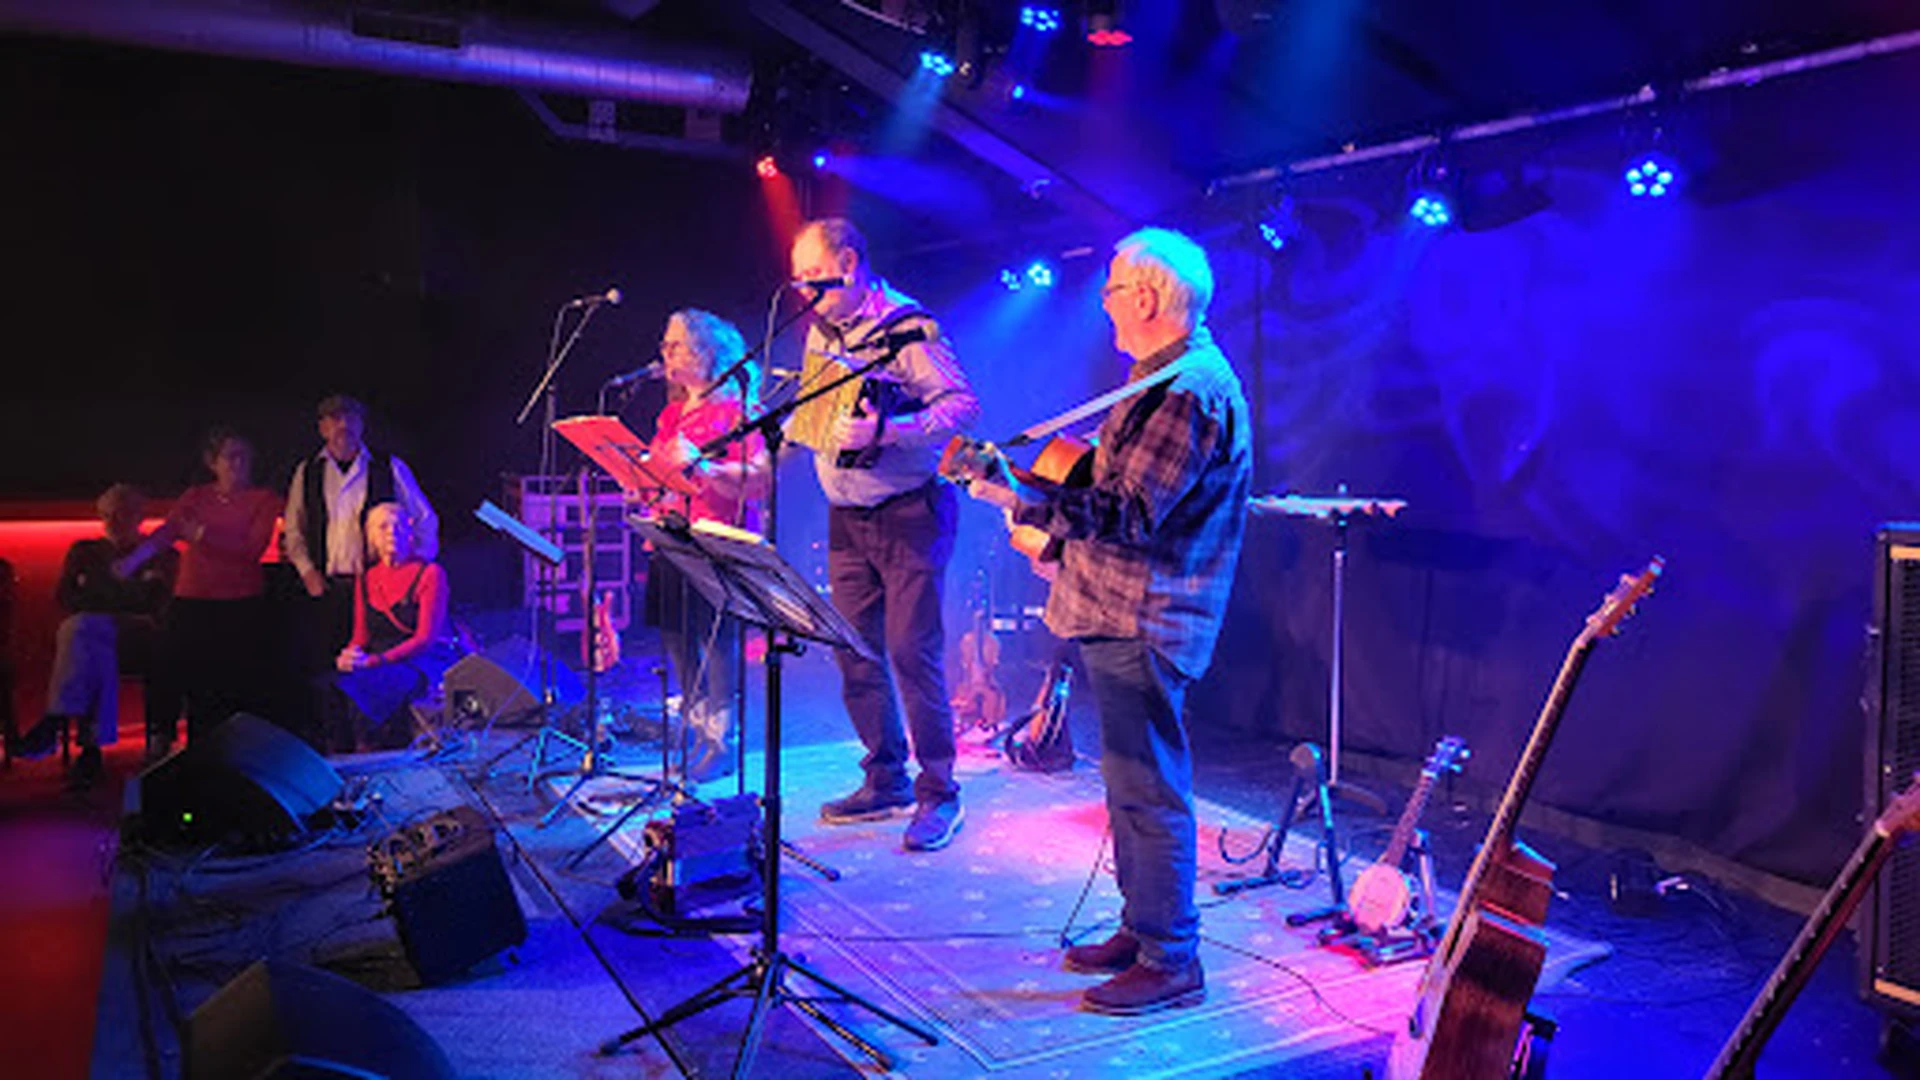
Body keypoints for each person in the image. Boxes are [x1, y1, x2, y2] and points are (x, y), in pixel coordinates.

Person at [958, 228, 1251, 1014]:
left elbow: (1128, 515)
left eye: (1114, 289)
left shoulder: (1188, 393)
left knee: (1149, 791)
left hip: (1147, 618)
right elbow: (1108, 495)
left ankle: (1172, 958)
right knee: (1127, 788)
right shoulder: (1157, 382)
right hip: (1119, 610)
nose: (1105, 303)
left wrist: (1016, 494)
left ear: (1148, 298)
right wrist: (1026, 495)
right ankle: (1144, 927)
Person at [787, 217, 981, 852]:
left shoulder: (908, 326)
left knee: (909, 651)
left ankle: (940, 792)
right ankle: (886, 776)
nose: (805, 294)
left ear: (850, 262)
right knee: (852, 648)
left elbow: (962, 406)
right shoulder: (822, 329)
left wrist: (887, 432)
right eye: (799, 282)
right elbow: (818, 407)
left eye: (815, 279)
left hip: (910, 513)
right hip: (847, 516)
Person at [633, 308, 769, 783]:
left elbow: (760, 481)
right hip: (668, 536)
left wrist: (704, 468)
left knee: (716, 642)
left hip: (714, 542)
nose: (665, 353)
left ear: (708, 352)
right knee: (676, 636)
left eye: (676, 345)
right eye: (665, 344)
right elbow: (662, 471)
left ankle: (723, 739)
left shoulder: (738, 409)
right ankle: (696, 729)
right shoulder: (671, 414)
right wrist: (642, 482)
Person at [283, 394, 438, 747]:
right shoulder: (308, 471)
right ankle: (334, 752)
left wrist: (414, 569)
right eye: (334, 418)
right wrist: (308, 572)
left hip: (376, 589)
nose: (343, 425)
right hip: (327, 588)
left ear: (362, 424)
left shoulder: (388, 465)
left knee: (374, 679)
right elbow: (294, 529)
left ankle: (379, 748)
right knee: (329, 673)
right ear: (322, 427)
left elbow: (425, 518)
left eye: (351, 417)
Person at [16, 484, 179, 785]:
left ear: (139, 516)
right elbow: (66, 597)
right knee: (90, 638)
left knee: (79, 628)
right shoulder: (84, 551)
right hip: (96, 636)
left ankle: (62, 726)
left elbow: (155, 603)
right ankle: (88, 745)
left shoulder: (161, 554)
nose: (113, 521)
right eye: (107, 514)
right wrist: (128, 591)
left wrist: (98, 590)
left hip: (140, 639)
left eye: (122, 513)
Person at [166, 430, 284, 744]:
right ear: (212, 462)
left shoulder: (264, 499)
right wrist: (132, 560)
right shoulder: (195, 496)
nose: (238, 463)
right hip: (194, 597)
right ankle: (193, 744)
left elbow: (251, 549)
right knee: (195, 675)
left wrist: (203, 535)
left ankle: (239, 747)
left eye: (244, 456)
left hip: (240, 599)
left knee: (237, 679)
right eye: (230, 456)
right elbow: (169, 530)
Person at [333, 501, 460, 749]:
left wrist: (377, 661)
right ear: (371, 537)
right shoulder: (366, 578)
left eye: (398, 525)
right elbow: (360, 635)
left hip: (421, 659)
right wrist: (350, 655)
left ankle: (372, 752)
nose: (392, 532)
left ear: (410, 532)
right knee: (331, 686)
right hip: (380, 656)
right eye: (383, 527)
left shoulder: (430, 573)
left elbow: (425, 639)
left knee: (366, 687)